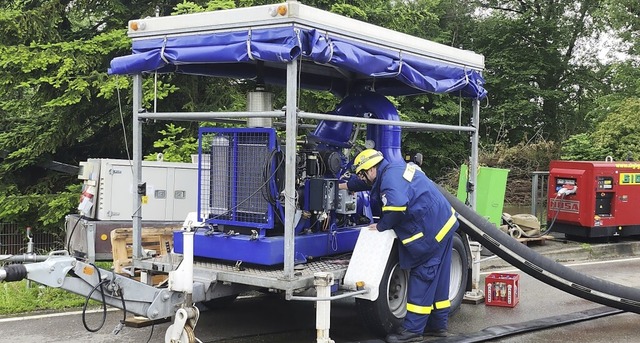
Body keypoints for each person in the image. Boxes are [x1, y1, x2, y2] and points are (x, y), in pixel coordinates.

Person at [340, 149, 459, 343]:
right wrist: (343, 186)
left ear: (371, 169)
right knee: (439, 279)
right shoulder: (390, 170)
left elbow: (396, 207)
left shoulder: (389, 179)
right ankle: (437, 326)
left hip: (430, 230)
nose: (362, 177)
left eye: (362, 173)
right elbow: (365, 183)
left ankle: (412, 331)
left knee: (423, 275)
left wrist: (381, 226)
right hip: (444, 223)